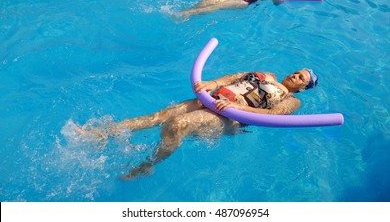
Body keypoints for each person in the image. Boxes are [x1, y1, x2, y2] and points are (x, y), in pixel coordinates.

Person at [77, 68, 317, 180]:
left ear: (303, 88)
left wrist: (239, 108)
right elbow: (235, 78)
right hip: (212, 99)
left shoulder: (291, 100)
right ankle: (99, 134)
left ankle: (148, 164)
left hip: (228, 116)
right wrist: (212, 83)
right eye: (296, 72)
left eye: (301, 78)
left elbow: (273, 116)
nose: (295, 75)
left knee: (176, 125)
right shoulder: (269, 74)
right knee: (156, 117)